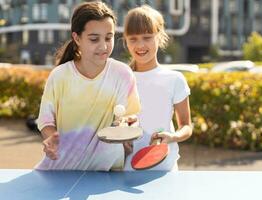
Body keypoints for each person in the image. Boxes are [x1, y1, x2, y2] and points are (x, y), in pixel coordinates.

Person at [35, 2, 140, 171]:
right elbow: (46, 121)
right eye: (94, 39)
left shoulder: (123, 74)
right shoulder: (60, 76)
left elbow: (130, 118)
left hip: (108, 170)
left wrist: (128, 128)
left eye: (108, 37)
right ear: (77, 38)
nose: (103, 46)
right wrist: (51, 139)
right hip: (63, 169)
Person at [123, 5, 193, 171]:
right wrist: (120, 139)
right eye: (133, 38)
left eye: (147, 37)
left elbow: (186, 126)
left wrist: (172, 136)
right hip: (126, 168)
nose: (140, 45)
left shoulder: (175, 79)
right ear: (125, 41)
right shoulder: (121, 78)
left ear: (159, 37)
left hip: (165, 167)